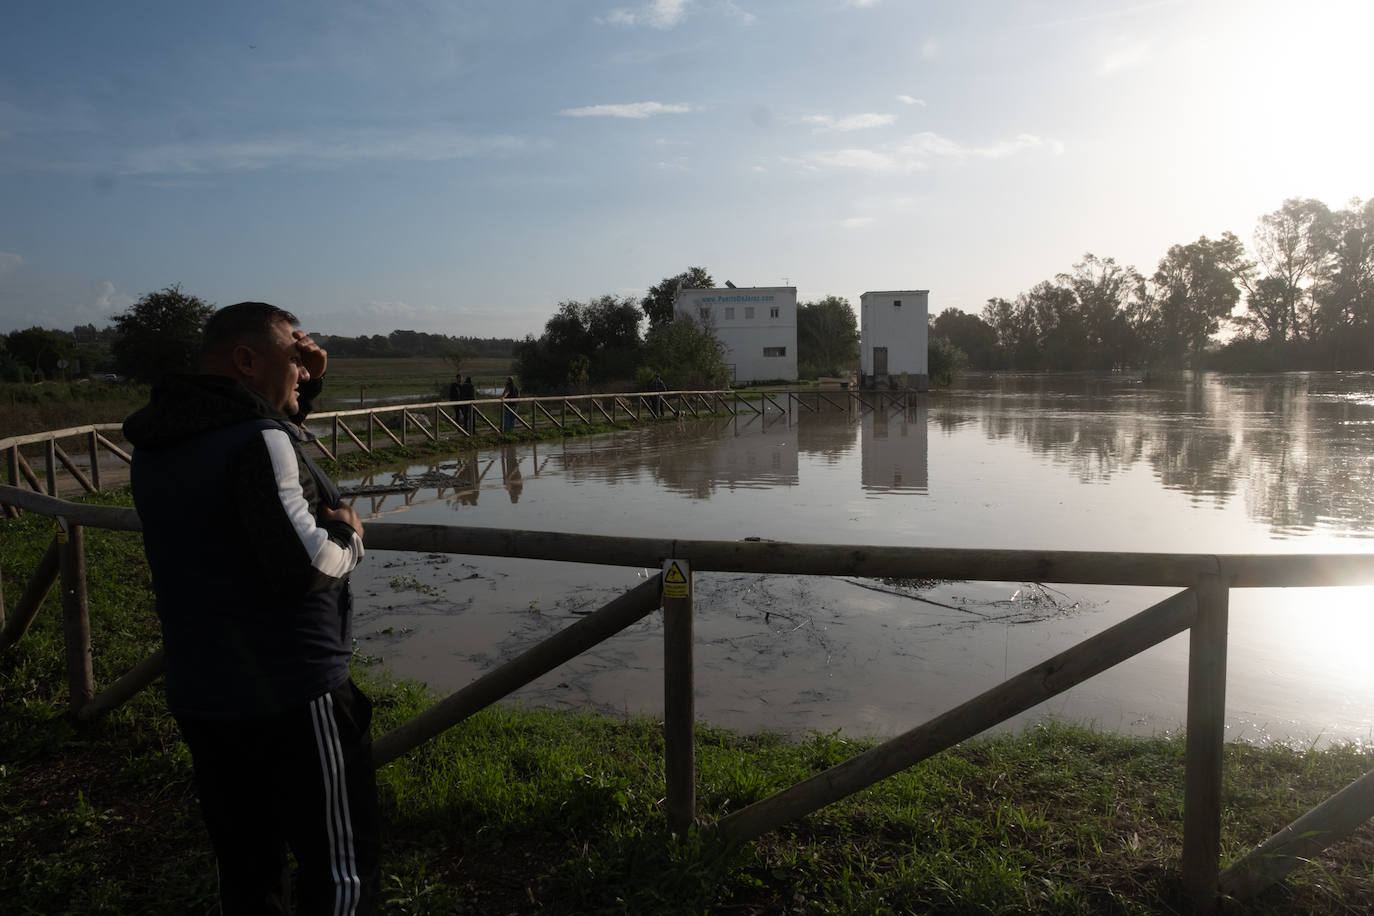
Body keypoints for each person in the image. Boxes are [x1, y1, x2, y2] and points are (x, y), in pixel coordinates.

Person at [123, 302, 378, 915]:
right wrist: (350, 537)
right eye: (296, 356)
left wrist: (304, 386)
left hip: (205, 689)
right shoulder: (258, 440)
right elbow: (306, 564)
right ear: (245, 359)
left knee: (247, 869)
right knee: (340, 870)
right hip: (294, 689)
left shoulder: (163, 437)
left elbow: (257, 473)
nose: (304, 368)